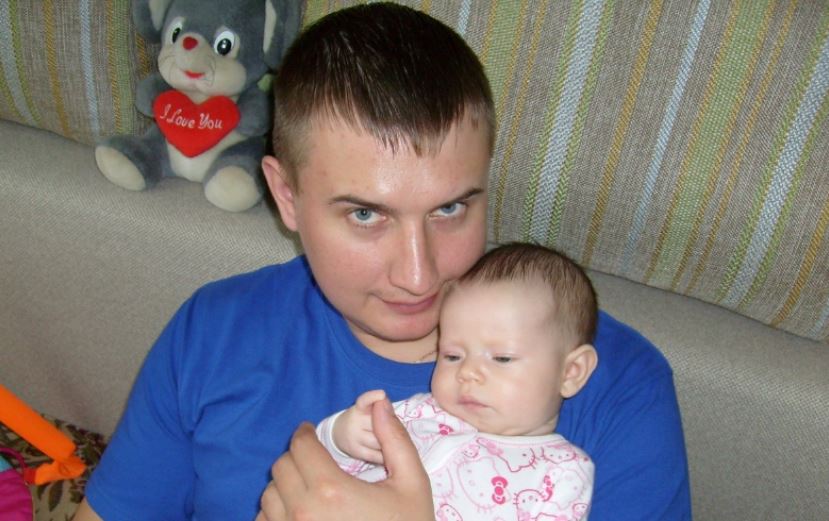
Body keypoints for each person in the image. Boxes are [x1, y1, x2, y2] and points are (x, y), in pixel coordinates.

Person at [74, 3, 691, 521]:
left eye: (450, 208)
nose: (419, 276)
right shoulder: (214, 333)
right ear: (286, 196)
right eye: (366, 215)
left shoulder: (614, 384)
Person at [317, 243, 600, 520]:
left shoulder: (562, 472)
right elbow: (325, 469)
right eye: (452, 356)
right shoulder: (419, 413)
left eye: (501, 358)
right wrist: (340, 437)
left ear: (571, 372)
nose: (467, 372)